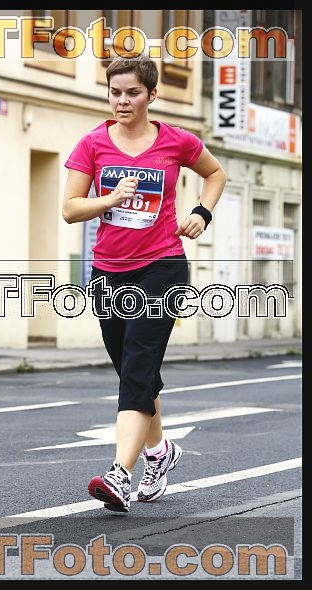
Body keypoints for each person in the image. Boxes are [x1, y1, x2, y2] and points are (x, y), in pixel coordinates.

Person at [62, 54, 227, 514]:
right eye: (115, 92)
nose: (122, 101)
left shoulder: (176, 140)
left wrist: (201, 212)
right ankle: (160, 452)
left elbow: (215, 173)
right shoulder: (93, 144)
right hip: (108, 272)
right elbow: (71, 208)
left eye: (132, 93)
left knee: (137, 367)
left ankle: (120, 473)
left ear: (151, 95)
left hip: (162, 268)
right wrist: (110, 198)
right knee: (134, 372)